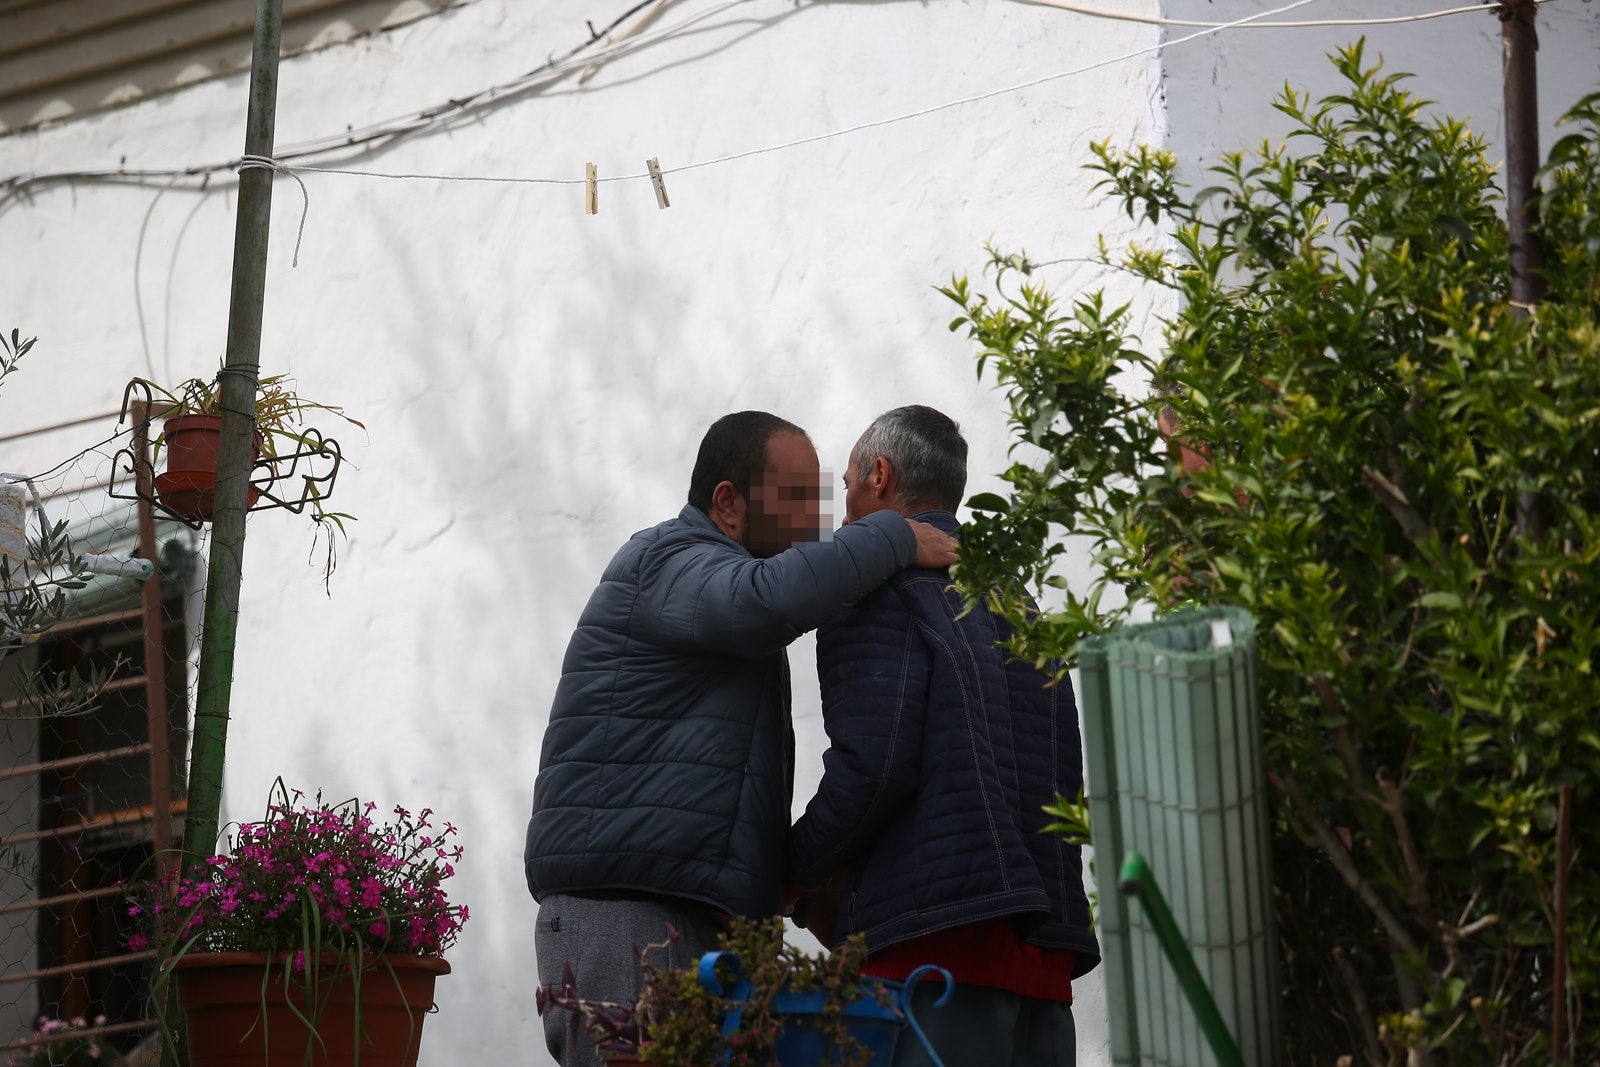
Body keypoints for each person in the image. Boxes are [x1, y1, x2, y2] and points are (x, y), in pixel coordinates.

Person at [525, 410, 958, 1067]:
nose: (818, 524)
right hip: (628, 915)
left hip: (683, 913)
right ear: (727, 502)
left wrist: (777, 882)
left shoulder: (716, 602)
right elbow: (770, 600)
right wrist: (893, 535)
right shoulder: (669, 560)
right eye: (796, 500)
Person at [788, 404, 1100, 1067]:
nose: (844, 512)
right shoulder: (1016, 597)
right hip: (1042, 956)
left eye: (847, 486)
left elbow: (872, 766)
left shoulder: (877, 585)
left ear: (879, 476)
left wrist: (792, 869)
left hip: (933, 955)